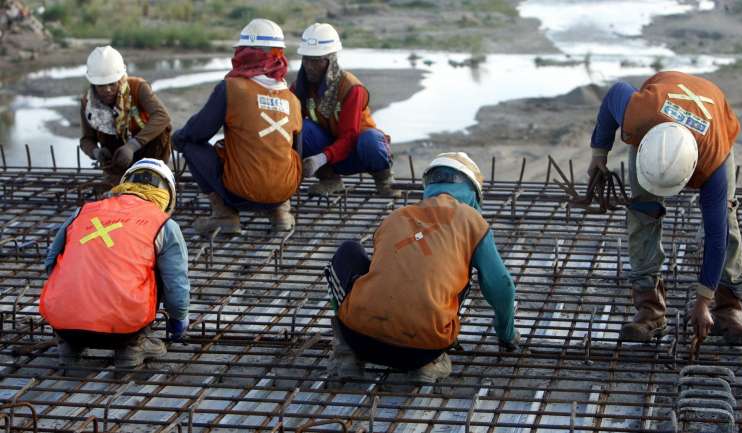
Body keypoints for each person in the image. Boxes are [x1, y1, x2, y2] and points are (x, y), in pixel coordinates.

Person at [588, 71, 742, 346]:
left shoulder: (713, 164)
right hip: (658, 124)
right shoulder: (638, 114)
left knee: (725, 219)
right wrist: (599, 153)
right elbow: (614, 93)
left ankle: (729, 308)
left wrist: (703, 300)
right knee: (642, 213)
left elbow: (716, 238)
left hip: (712, 126)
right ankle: (650, 310)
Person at [324, 152, 518, 383]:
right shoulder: (472, 222)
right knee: (454, 272)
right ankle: (430, 365)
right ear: (473, 193)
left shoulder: (397, 216)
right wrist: (506, 334)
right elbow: (501, 284)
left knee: (349, 252)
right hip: (422, 350)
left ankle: (346, 354)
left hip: (360, 338)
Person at [40, 159, 190, 368]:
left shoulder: (82, 213)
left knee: (72, 261)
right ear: (168, 196)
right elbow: (176, 284)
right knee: (155, 268)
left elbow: (50, 263)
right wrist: (178, 320)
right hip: (124, 329)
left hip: (62, 323)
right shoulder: (164, 225)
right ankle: (133, 346)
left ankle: (69, 346)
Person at [173, 19, 302, 235]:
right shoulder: (292, 98)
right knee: (287, 152)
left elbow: (197, 132)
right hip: (284, 190)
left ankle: (224, 215)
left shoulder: (232, 88)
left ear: (246, 52)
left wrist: (177, 138)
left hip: (240, 194)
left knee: (188, 143)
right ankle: (281, 211)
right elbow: (297, 150)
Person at [292, 23, 396, 197]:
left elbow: (350, 136)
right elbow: (285, 120)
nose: (309, 65)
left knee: (370, 139)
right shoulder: (301, 87)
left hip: (358, 153)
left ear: (330, 61)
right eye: (306, 59)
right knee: (302, 128)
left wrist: (320, 159)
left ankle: (384, 179)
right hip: (330, 155)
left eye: (316, 60)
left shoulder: (351, 88)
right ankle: (330, 180)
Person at [79, 46, 171, 184]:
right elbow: (86, 139)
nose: (107, 90)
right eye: (101, 86)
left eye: (112, 84)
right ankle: (117, 176)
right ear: (93, 84)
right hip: (117, 157)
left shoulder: (138, 87)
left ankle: (152, 173)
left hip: (146, 152)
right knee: (118, 194)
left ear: (120, 79)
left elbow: (162, 116)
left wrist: (132, 146)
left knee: (162, 128)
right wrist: (96, 152)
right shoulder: (88, 103)